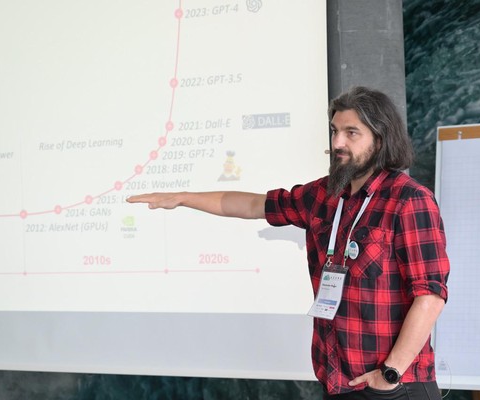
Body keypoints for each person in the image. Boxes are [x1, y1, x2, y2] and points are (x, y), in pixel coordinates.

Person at [127, 86, 450, 400]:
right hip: (339, 382)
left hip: (394, 387)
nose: (337, 142)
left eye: (351, 133)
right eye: (334, 131)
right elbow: (254, 205)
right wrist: (182, 197)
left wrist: (390, 373)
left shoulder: (409, 200)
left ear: (380, 139)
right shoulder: (325, 194)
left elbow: (430, 296)